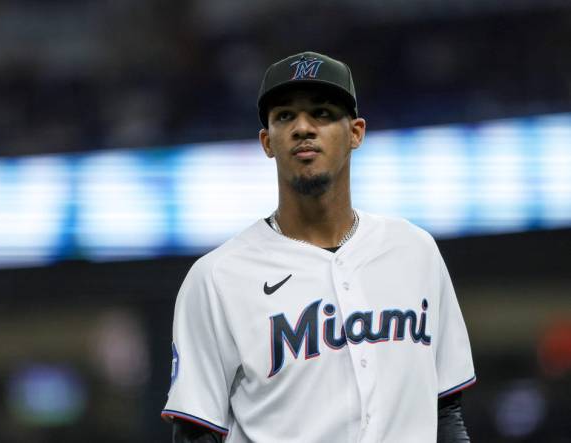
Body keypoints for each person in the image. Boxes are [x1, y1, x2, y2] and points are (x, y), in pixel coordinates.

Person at [161, 51, 476, 442]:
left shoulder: (415, 251)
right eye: (285, 116)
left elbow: (446, 412)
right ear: (267, 141)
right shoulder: (217, 278)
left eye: (323, 113)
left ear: (356, 132)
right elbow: (195, 433)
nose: (303, 128)